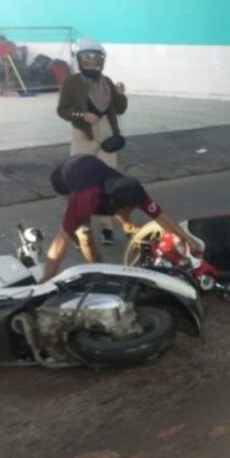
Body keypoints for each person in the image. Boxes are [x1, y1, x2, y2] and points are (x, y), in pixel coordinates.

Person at [42, 155, 200, 281]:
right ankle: (99, 273)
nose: (129, 210)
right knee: (85, 238)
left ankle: (128, 226)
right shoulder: (86, 200)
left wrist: (188, 240)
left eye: (131, 209)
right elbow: (61, 239)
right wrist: (47, 278)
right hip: (66, 183)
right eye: (125, 210)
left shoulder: (134, 189)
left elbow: (161, 216)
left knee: (126, 214)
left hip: (91, 170)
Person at [57, 38, 127, 246]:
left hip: (107, 133)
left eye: (95, 59)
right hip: (83, 134)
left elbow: (119, 109)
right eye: (87, 59)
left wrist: (121, 95)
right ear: (79, 61)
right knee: (79, 182)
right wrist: (81, 115)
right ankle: (80, 229)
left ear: (101, 61)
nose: (92, 63)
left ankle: (107, 227)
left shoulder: (106, 82)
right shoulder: (72, 82)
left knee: (107, 183)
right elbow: (62, 110)